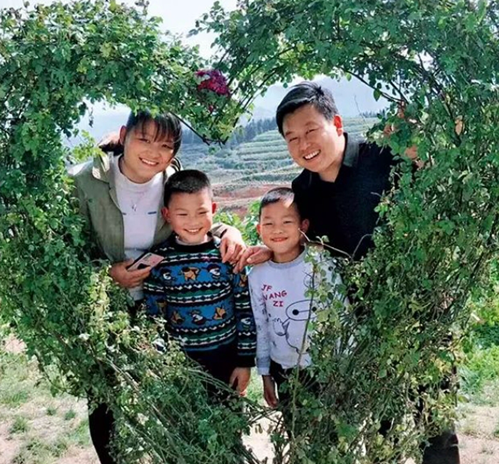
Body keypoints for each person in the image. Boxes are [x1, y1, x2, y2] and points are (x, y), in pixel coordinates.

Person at [238, 82, 459, 464]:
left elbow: (442, 189)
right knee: (381, 430)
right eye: (292, 138)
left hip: (421, 315)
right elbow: (301, 241)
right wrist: (267, 249)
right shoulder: (301, 189)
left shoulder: (385, 157)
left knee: (433, 426)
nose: (303, 144)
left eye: (310, 131)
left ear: (336, 122)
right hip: (361, 326)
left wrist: (425, 154)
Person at [70, 111, 246, 464]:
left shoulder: (171, 181)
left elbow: (194, 218)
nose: (153, 152)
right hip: (106, 309)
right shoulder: (84, 181)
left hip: (164, 309)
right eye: (144, 139)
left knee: (172, 398)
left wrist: (230, 231)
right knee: (105, 398)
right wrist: (108, 275)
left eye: (165, 145)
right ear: (124, 135)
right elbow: (63, 252)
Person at [143, 169, 257, 401]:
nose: (193, 222)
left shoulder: (228, 255)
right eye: (182, 214)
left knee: (229, 426)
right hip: (181, 364)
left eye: (201, 212)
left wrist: (245, 362)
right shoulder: (158, 262)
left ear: (214, 210)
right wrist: (163, 365)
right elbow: (155, 319)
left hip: (226, 360)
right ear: (167, 214)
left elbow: (245, 310)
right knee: (185, 431)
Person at [248, 187, 345, 416]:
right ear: (259, 229)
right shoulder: (257, 276)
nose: (278, 230)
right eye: (269, 224)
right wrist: (265, 375)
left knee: (333, 436)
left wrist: (344, 365)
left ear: (303, 226)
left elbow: (342, 312)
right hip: (285, 370)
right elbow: (261, 328)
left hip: (328, 366)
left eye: (287, 222)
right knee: (298, 436)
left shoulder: (319, 263)